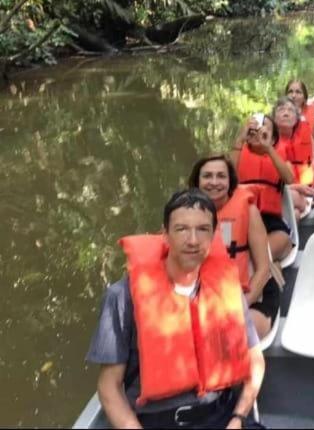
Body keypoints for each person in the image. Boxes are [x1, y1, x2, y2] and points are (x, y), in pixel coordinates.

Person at [86, 188, 265, 429]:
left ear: (214, 236)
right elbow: (109, 387)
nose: (192, 240)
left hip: (222, 416)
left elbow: (256, 361)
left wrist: (238, 417)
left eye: (203, 229)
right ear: (165, 235)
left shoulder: (227, 288)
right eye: (181, 229)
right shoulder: (121, 297)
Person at [188, 154, 281, 339]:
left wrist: (240, 305)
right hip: (208, 297)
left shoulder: (249, 211)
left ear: (230, 181)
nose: (214, 182)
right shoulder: (184, 214)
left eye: (221, 176)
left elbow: (263, 269)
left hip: (253, 295)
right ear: (197, 181)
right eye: (207, 176)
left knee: (230, 334)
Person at [232, 112, 295, 262]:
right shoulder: (238, 153)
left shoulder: (278, 158)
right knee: (226, 238)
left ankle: (256, 262)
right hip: (240, 218)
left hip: (269, 220)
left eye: (264, 127)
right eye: (255, 126)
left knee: (283, 240)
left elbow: (289, 178)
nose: (258, 129)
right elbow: (228, 176)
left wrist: (269, 149)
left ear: (273, 139)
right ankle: (264, 264)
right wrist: (240, 138)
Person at [285, 79, 314, 158]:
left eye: (298, 92)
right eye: (290, 92)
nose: (293, 95)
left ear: (304, 97)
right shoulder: (278, 116)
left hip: (307, 160)